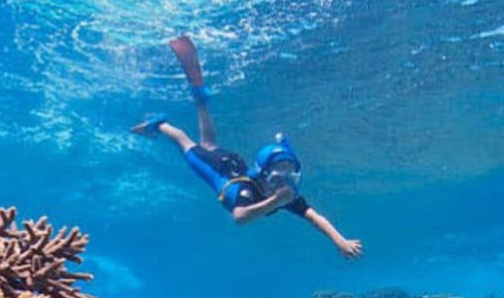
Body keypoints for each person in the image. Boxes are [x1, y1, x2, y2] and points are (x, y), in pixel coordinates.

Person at [131, 35, 363, 258]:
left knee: (208, 143)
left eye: (289, 175)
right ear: (262, 175)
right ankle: (160, 124)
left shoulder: (282, 193)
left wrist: (339, 240)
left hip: (231, 164)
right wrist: (274, 202)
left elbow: (315, 216)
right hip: (218, 168)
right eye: (278, 176)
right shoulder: (248, 191)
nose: (284, 182)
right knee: (186, 143)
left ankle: (200, 98)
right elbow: (240, 217)